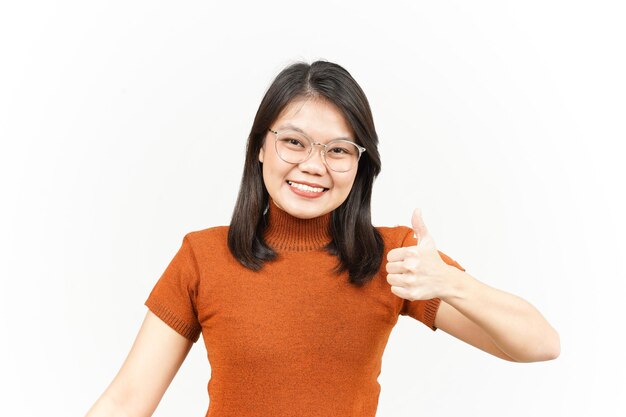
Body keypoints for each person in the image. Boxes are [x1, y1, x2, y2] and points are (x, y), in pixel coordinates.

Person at [84, 60, 560, 417]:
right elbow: (127, 399)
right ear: (258, 148)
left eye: (338, 150)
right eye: (294, 141)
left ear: (360, 166)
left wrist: (453, 284)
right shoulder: (203, 256)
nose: (314, 164)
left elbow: (539, 344)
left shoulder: (393, 258)